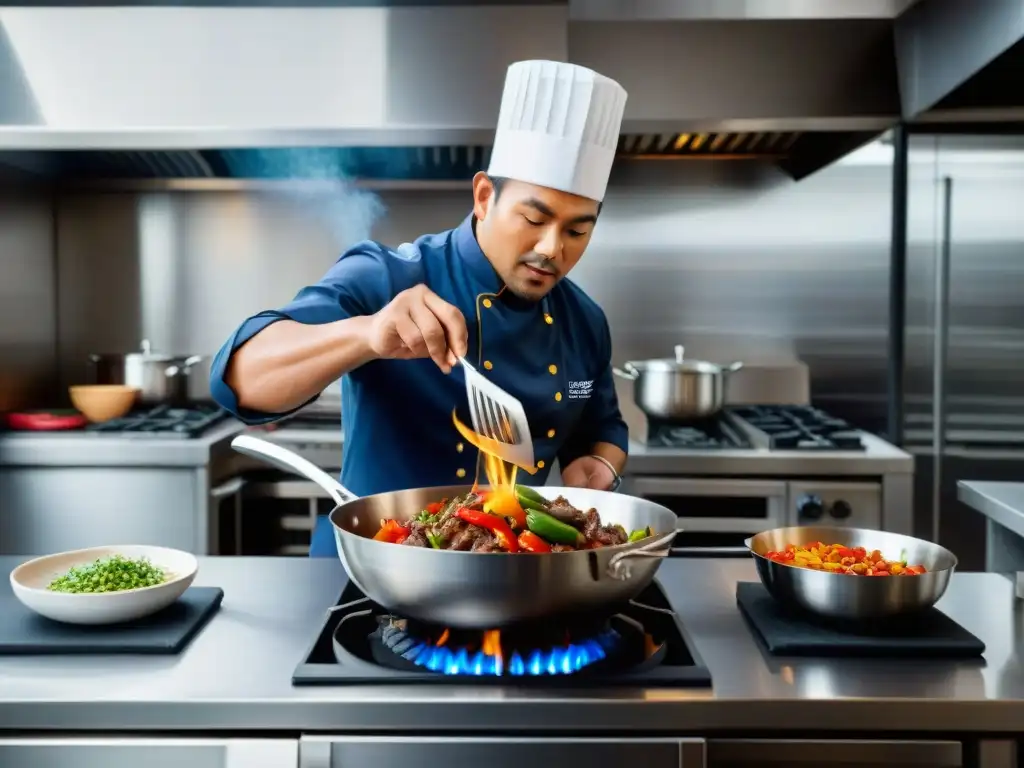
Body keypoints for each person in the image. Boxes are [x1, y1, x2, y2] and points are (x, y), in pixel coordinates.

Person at [209, 60, 631, 557]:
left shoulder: (584, 320)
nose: (552, 248)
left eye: (577, 231)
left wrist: (599, 465)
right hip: (370, 571)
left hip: (513, 581)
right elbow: (238, 380)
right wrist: (366, 334)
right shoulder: (388, 275)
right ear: (483, 197)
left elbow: (601, 428)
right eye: (534, 218)